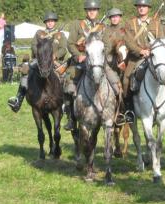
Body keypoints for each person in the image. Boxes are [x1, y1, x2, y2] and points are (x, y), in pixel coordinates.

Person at [7, 11, 68, 112]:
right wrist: (40, 55)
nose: (50, 23)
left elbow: (63, 49)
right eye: (48, 21)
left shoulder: (60, 34)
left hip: (55, 62)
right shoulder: (39, 33)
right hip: (40, 61)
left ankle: (66, 104)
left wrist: (55, 55)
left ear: (55, 22)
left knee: (67, 76)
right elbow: (33, 46)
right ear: (45, 22)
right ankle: (18, 100)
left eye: (52, 21)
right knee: (26, 70)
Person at [63, 0, 104, 130]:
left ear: (97, 11)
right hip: (80, 61)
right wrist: (78, 55)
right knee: (68, 84)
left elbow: (107, 44)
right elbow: (70, 43)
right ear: (86, 11)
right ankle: (71, 118)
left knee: (116, 82)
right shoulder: (77, 24)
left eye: (94, 10)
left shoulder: (102, 26)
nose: (92, 12)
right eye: (89, 10)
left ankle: (117, 114)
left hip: (97, 61)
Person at [122, 0, 165, 123]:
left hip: (153, 57)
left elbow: (161, 40)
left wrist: (152, 51)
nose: (141, 8)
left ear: (148, 8)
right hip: (136, 59)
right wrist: (141, 51)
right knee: (126, 80)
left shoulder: (156, 23)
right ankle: (129, 109)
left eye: (144, 6)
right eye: (139, 6)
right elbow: (128, 41)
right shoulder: (130, 23)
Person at [102, 8, 128, 125]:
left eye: (117, 16)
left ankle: (130, 110)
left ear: (120, 17)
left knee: (131, 86)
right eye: (112, 17)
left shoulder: (125, 30)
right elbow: (104, 47)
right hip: (109, 65)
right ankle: (120, 113)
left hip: (125, 64)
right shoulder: (105, 30)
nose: (114, 18)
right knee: (118, 89)